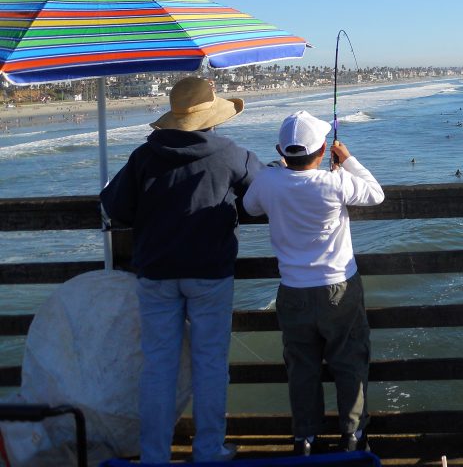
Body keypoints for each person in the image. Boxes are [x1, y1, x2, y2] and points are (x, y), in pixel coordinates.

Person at [101, 77, 263, 463]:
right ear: (212, 117)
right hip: (210, 272)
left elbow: (117, 208)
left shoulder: (144, 156)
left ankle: (154, 454)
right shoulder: (231, 155)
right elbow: (261, 193)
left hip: (156, 274)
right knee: (210, 365)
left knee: (158, 368)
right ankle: (208, 449)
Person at [243, 111, 385, 455]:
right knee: (349, 361)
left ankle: (304, 438)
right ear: (323, 150)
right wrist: (347, 160)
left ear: (281, 150)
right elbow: (376, 194)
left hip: (292, 290)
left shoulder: (267, 181)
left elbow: (249, 207)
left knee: (302, 367)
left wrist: (274, 172)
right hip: (339, 288)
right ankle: (352, 436)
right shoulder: (334, 182)